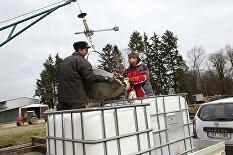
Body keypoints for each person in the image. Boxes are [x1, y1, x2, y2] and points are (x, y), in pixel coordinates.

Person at [57, 41, 114, 110]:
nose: (87, 52)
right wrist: (106, 78)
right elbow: (91, 78)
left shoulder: (65, 61)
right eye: (86, 50)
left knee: (65, 120)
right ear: (80, 50)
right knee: (78, 120)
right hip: (76, 100)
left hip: (62, 100)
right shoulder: (81, 61)